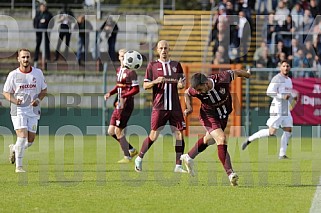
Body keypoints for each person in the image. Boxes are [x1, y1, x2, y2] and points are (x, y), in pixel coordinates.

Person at [180, 69, 251, 186]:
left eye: (199, 89)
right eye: (197, 90)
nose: (198, 92)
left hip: (223, 116)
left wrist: (247, 75)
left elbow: (236, 72)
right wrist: (189, 107)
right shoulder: (197, 90)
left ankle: (188, 156)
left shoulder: (222, 78)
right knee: (221, 139)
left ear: (206, 83)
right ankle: (230, 174)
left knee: (210, 140)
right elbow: (187, 93)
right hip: (209, 116)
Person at [134, 40, 187, 173]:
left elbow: (182, 84)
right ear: (157, 50)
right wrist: (155, 81)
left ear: (169, 50)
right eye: (161, 48)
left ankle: (178, 166)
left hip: (175, 106)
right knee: (154, 135)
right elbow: (145, 85)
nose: (164, 50)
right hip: (159, 106)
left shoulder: (176, 65)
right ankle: (139, 158)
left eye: (166, 48)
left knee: (179, 135)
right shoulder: (152, 66)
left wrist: (181, 85)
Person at [2, 49, 47, 173]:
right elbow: (6, 92)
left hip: (33, 110)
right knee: (22, 137)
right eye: (23, 57)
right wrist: (15, 101)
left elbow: (44, 90)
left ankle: (15, 149)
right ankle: (19, 167)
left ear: (30, 58)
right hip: (18, 109)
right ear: (18, 59)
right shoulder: (13, 75)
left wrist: (38, 99)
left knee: (30, 141)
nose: (26, 60)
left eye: (27, 57)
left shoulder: (38, 73)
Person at [242, 60, 298, 159]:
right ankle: (249, 139)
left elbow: (288, 93)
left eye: (287, 66)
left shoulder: (289, 80)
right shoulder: (277, 78)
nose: (286, 68)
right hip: (277, 108)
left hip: (285, 109)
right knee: (272, 132)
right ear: (280, 67)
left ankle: (282, 154)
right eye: (284, 66)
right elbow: (269, 92)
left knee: (288, 129)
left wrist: (293, 97)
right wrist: (281, 96)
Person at [104, 49, 139, 163]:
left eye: (125, 56)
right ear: (119, 57)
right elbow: (118, 86)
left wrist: (124, 97)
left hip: (126, 105)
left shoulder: (131, 72)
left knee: (118, 130)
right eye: (121, 56)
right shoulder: (119, 70)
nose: (122, 58)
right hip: (119, 104)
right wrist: (110, 93)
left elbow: (136, 89)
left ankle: (127, 156)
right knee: (111, 131)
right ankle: (131, 149)